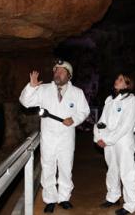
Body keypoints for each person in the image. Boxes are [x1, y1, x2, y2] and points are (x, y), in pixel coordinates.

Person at [19, 60, 90, 213]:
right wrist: (31, 87)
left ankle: (64, 197)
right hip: (49, 136)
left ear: (69, 75)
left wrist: (74, 119)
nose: (57, 73)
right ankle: (50, 199)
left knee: (65, 167)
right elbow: (25, 102)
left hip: (66, 137)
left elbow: (84, 111)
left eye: (61, 71)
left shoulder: (77, 92)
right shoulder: (43, 89)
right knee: (48, 167)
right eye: (56, 71)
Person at [94, 74, 135, 215]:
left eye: (121, 80)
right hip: (109, 142)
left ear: (127, 85)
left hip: (123, 141)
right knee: (112, 169)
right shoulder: (110, 100)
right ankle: (113, 196)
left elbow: (125, 125)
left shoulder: (132, 101)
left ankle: (131, 204)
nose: (117, 80)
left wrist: (107, 139)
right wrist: (98, 137)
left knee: (127, 171)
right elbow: (101, 122)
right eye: (117, 78)